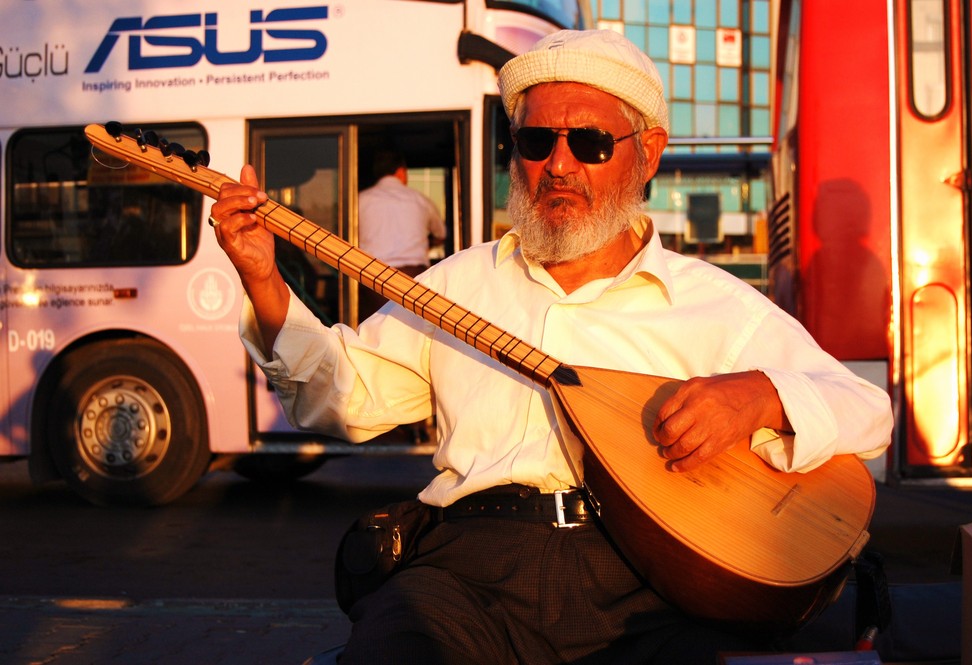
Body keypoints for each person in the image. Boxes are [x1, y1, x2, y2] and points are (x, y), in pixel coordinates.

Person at [209, 29, 893, 665]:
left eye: (590, 142)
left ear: (647, 152)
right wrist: (263, 278)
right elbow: (342, 398)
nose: (558, 164)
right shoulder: (458, 285)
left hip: (647, 578)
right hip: (468, 570)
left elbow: (867, 410)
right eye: (536, 141)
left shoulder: (713, 302)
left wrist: (759, 396)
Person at [356, 149, 446, 322]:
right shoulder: (420, 200)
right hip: (414, 280)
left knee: (370, 335)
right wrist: (428, 243)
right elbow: (440, 234)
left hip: (372, 281)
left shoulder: (360, 200)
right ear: (400, 171)